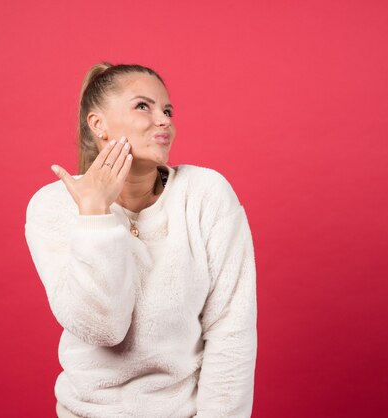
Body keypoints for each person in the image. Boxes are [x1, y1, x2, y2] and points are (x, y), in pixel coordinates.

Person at [24, 62, 257, 418]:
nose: (163, 120)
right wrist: (95, 216)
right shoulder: (54, 206)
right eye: (143, 107)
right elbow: (103, 329)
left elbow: (232, 329)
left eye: (167, 110)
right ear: (98, 124)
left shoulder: (206, 195)